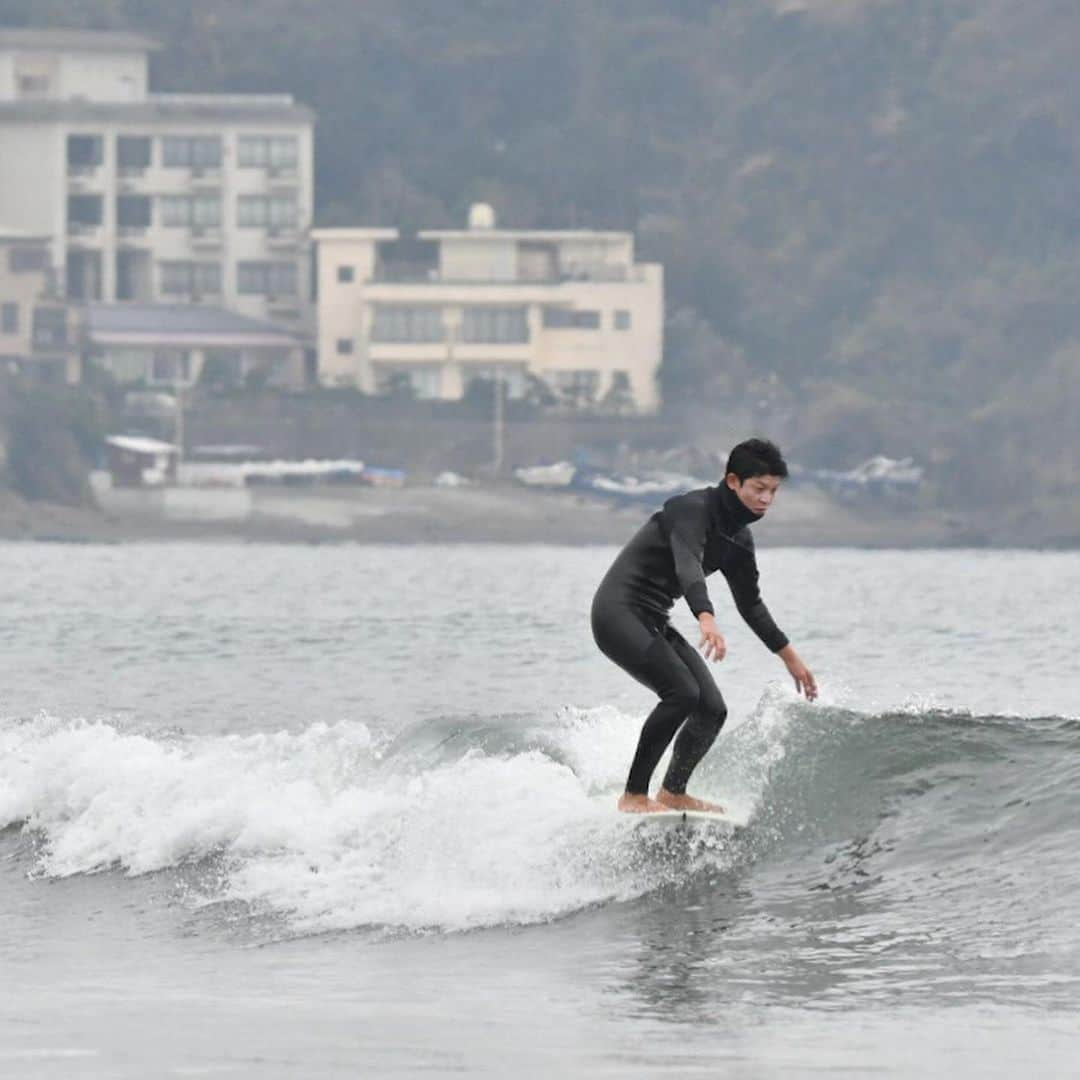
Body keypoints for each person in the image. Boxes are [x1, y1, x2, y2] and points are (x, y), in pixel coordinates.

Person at [590, 437, 817, 813]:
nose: (766, 500)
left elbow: (751, 604)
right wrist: (706, 616)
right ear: (733, 481)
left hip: (652, 618)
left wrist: (789, 656)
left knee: (711, 708)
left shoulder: (739, 540)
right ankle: (633, 796)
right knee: (681, 693)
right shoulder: (691, 510)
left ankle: (673, 792)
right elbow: (688, 563)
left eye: (773, 491)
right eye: (759, 488)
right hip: (618, 613)